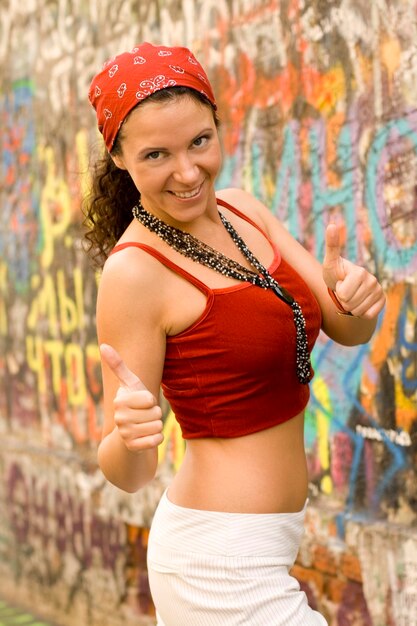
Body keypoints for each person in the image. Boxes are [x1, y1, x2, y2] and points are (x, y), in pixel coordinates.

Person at [84, 42, 385, 626]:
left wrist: (360, 300)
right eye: (156, 155)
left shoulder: (244, 211)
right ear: (119, 157)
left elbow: (346, 327)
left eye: (200, 141)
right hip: (215, 565)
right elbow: (129, 474)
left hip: (269, 544)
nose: (188, 172)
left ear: (218, 125)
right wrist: (131, 436)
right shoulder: (134, 273)